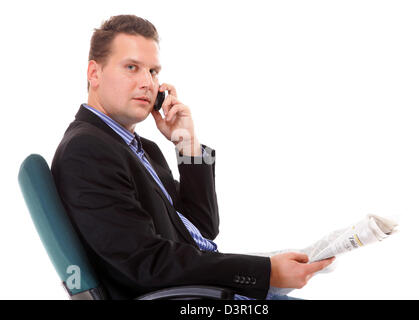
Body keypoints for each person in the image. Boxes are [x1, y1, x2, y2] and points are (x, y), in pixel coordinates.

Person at [51, 14, 335, 300]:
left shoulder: (141, 148)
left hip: (201, 289)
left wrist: (187, 144)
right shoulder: (87, 150)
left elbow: (202, 228)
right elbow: (146, 264)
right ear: (94, 73)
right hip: (185, 298)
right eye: (131, 67)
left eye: (153, 71)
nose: (147, 83)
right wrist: (265, 272)